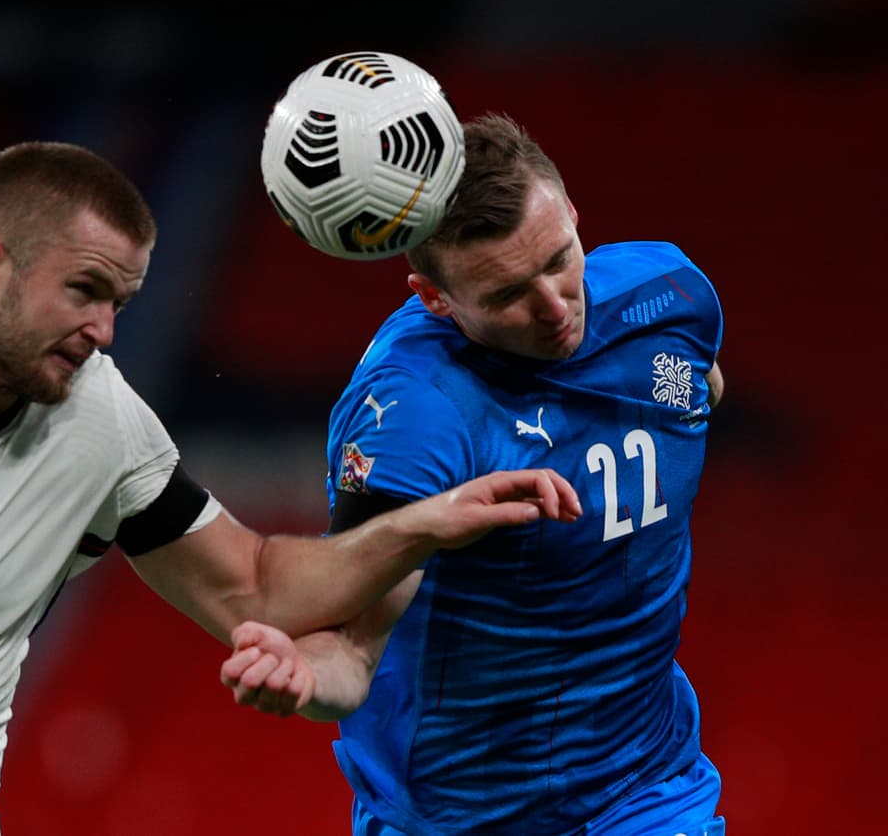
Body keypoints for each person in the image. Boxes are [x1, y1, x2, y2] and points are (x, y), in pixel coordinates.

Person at [0, 140, 582, 836]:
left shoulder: (96, 420)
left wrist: (418, 525)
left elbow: (254, 587)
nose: (104, 330)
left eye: (121, 303)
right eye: (84, 291)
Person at [221, 112, 727, 835]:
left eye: (559, 257)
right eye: (506, 295)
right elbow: (353, 651)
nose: (555, 307)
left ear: (573, 214)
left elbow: (698, 383)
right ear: (434, 297)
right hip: (455, 813)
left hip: (646, 787)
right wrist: (306, 678)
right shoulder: (415, 413)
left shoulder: (667, 299)